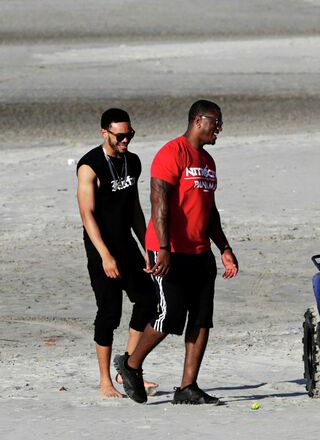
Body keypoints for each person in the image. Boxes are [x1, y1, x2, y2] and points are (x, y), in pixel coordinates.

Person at [114, 100, 239, 405]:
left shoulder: (208, 162)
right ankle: (130, 365)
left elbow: (209, 212)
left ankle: (187, 387)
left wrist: (224, 247)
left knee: (201, 319)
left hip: (200, 253)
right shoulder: (172, 153)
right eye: (216, 122)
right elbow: (160, 203)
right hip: (168, 251)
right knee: (169, 316)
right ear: (199, 120)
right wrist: (164, 248)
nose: (219, 128)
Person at [76, 108, 158, 398]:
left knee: (149, 300)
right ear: (104, 132)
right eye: (120, 136)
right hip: (101, 248)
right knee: (109, 313)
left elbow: (134, 208)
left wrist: (148, 247)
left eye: (129, 135)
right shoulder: (90, 166)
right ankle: (105, 381)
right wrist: (105, 256)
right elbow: (87, 216)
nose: (126, 140)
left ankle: (129, 369)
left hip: (127, 244)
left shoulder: (132, 161)